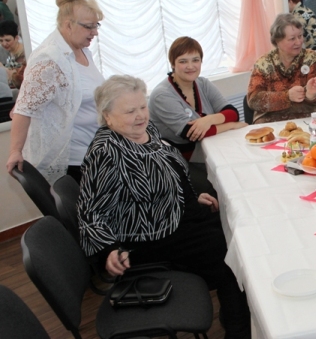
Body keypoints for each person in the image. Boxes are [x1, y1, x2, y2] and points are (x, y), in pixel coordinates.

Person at [77, 75, 251, 338]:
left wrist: (191, 198)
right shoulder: (106, 152)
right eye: (130, 111)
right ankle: (238, 329)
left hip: (177, 216)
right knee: (228, 250)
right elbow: (90, 210)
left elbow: (171, 172)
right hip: (150, 237)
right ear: (107, 117)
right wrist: (108, 250)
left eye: (142, 107)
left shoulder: (147, 132)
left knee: (238, 223)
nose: (140, 115)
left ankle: (234, 310)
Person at [6, 0, 104, 184]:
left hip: (92, 149)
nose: (94, 32)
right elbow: (24, 108)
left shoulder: (83, 51)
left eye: (96, 26)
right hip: (72, 159)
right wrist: (16, 151)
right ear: (68, 25)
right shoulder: (50, 59)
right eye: (89, 26)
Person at [148, 36, 247, 178]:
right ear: (173, 64)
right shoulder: (162, 95)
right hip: (181, 162)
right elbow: (191, 133)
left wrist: (209, 120)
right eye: (183, 61)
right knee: (234, 176)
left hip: (212, 148)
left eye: (195, 60)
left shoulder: (203, 83)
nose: (190, 66)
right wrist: (231, 125)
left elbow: (232, 111)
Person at [247, 13, 316, 123]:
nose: (298, 42)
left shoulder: (312, 58)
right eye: (292, 38)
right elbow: (253, 100)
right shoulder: (263, 64)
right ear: (278, 41)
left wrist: (311, 94)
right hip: (270, 119)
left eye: (300, 36)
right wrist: (286, 96)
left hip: (308, 115)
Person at [0, 20, 25, 88]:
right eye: (1, 40)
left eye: (7, 40)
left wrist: (3, 69)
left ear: (16, 38)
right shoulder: (4, 51)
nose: (4, 44)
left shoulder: (24, 53)